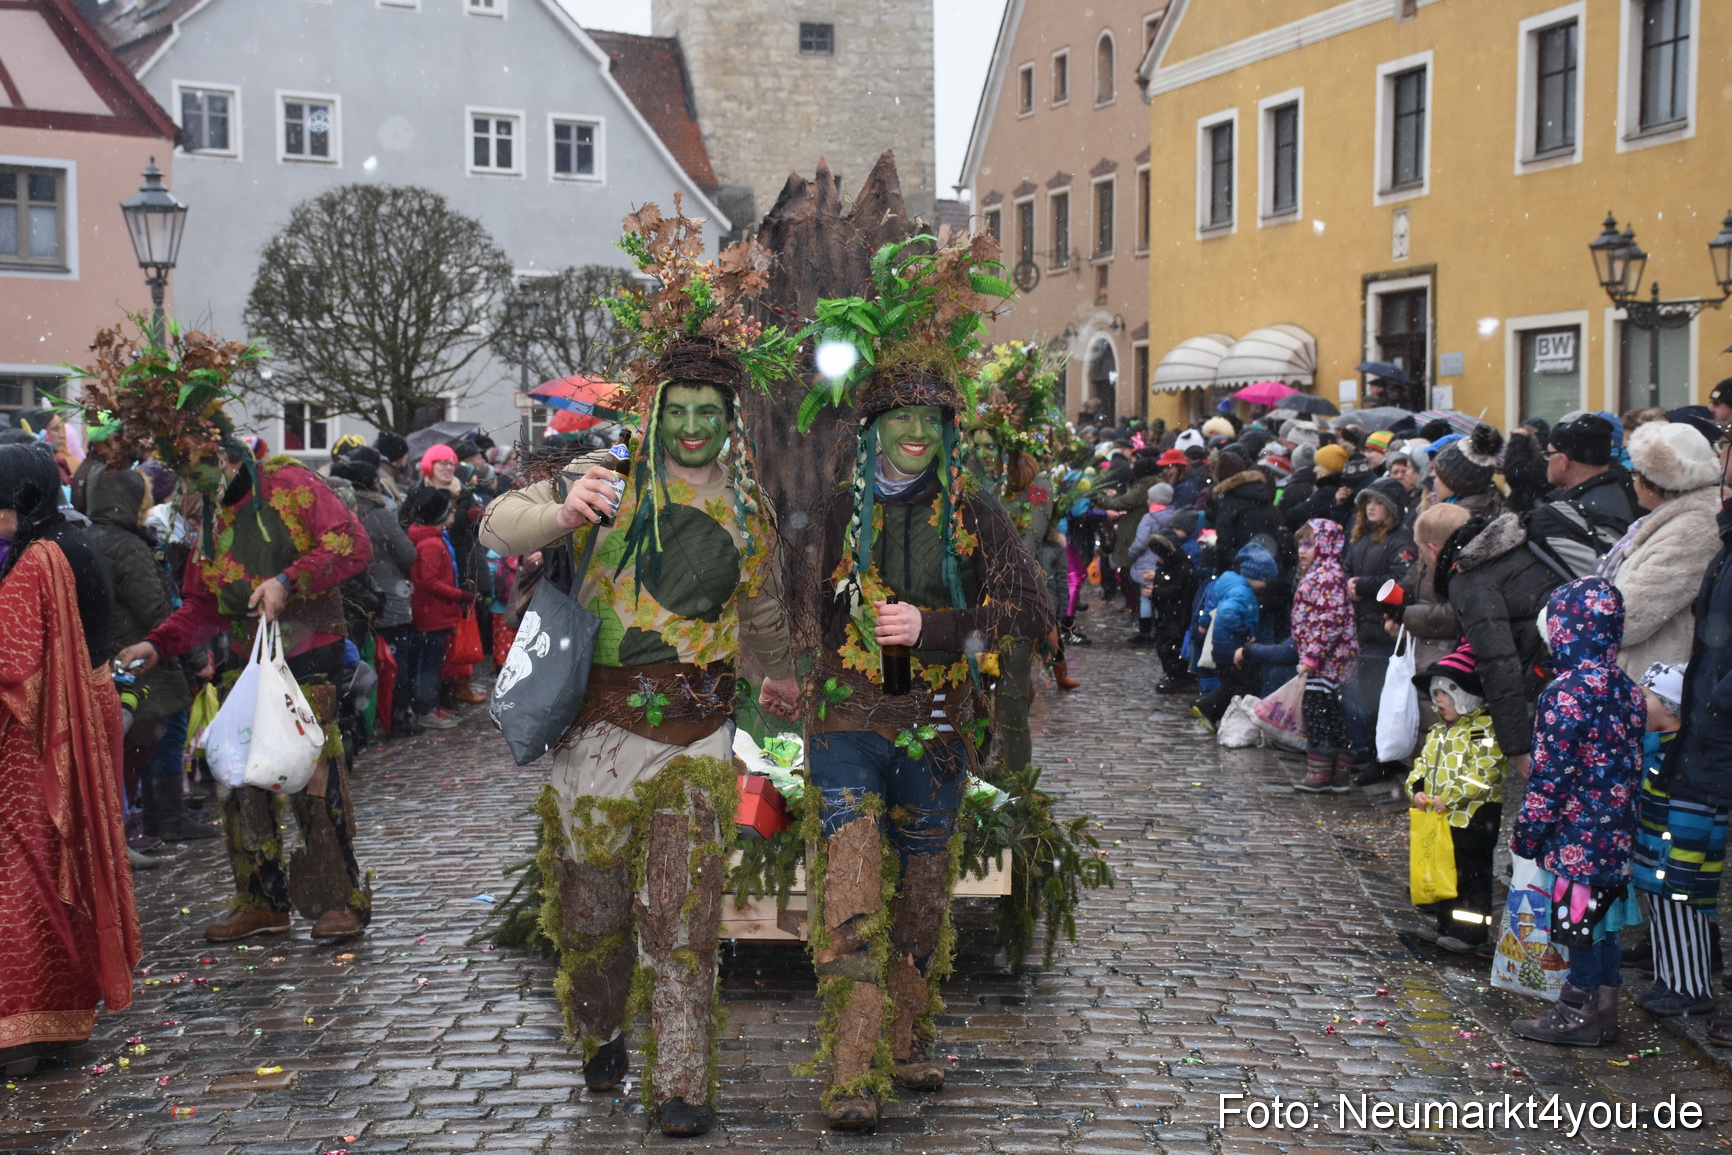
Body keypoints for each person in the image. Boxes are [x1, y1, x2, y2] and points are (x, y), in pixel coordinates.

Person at [477, 207, 800, 1138]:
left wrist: (779, 675)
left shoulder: (748, 505)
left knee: (685, 914)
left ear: (728, 418)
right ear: (657, 412)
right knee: (594, 912)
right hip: (600, 736)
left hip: (698, 734)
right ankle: (598, 1027)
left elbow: (760, 607)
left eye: (709, 412)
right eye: (679, 411)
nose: (693, 427)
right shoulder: (606, 477)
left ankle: (684, 1080)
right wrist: (563, 509)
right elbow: (497, 526)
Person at [797, 237, 1054, 1131]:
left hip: (938, 725)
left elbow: (1030, 612)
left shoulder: (974, 512)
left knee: (919, 896)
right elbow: (797, 615)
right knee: (851, 889)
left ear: (949, 429)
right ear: (871, 426)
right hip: (847, 723)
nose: (917, 432)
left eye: (932, 420)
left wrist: (938, 627)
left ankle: (905, 1038)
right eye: (901, 416)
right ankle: (850, 1070)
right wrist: (791, 672)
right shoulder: (839, 511)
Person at [115, 443, 375, 944]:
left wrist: (287, 580)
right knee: (239, 776)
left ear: (226, 456)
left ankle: (339, 898)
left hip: (310, 646)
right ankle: (262, 900)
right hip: (247, 655)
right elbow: (203, 602)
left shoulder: (289, 483)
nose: (192, 482)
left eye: (198, 467)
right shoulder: (212, 515)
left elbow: (351, 543)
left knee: (309, 770)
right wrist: (159, 643)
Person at [0, 442, 140, 1076]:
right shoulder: (75, 541)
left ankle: (20, 1028)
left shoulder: (40, 558)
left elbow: (10, 660)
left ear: (21, 498)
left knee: (25, 864)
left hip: (45, 726)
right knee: (69, 861)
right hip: (86, 704)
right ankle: (61, 1022)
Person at [1510, 578, 1645, 1047]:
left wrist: (1528, 832)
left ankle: (1577, 1008)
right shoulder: (1628, 690)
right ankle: (1605, 1008)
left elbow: (1550, 776)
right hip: (1616, 832)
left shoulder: (1566, 693)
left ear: (1564, 630)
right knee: (1602, 924)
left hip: (1577, 836)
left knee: (1577, 926)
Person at [77, 462, 213, 844]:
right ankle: (162, 818)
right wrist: (197, 659)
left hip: (110, 656)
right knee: (157, 739)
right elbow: (156, 610)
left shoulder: (86, 537)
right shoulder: (128, 547)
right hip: (141, 657)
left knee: (130, 747)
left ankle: (145, 820)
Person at [1437, 510, 1564, 774]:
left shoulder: (1470, 575)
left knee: (1555, 783)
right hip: (1577, 666)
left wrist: (1518, 748)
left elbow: (1497, 661)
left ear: (1432, 549)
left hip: (1548, 679)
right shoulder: (1518, 548)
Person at [1626, 664, 1715, 1016]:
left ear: (1671, 707)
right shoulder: (1658, 751)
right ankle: (1670, 980)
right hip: (1660, 861)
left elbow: (1693, 820)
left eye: (1646, 697)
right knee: (1664, 923)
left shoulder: (1685, 760)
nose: (1638, 703)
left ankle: (1691, 988)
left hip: (1680, 866)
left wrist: (1681, 869)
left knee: (1684, 924)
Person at [1406, 644, 1504, 953]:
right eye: (1435, 694)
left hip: (1475, 816)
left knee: (1472, 874)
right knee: (1446, 870)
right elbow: (1421, 766)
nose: (1438, 700)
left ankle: (1470, 932)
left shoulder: (1483, 729)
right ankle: (1446, 923)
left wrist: (1450, 797)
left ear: (1465, 695)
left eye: (1445, 694)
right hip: (1441, 816)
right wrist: (1416, 790)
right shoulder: (1438, 732)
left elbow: (1483, 773)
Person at [1604, 420, 1722, 676]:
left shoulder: (1692, 531)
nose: (1633, 481)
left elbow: (1630, 617)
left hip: (1656, 684)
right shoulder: (1677, 520)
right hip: (1650, 676)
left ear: (1657, 482)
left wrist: (1560, 623)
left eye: (1636, 473)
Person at [333, 459, 419, 736]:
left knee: (364, 660)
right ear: (372, 482)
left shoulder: (337, 512)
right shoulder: (378, 513)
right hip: (387, 598)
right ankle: (397, 716)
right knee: (394, 661)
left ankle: (364, 722)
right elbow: (407, 553)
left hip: (354, 601)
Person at [1290, 519, 1359, 793]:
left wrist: (1312, 657)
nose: (1302, 550)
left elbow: (1329, 621)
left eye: (1309, 544)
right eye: (1301, 544)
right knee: (1331, 715)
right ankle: (1337, 774)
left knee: (1320, 715)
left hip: (1327, 661)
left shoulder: (1326, 575)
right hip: (1326, 660)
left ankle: (1321, 772)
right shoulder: (1319, 573)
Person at [1191, 541, 1277, 730]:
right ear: (1257, 576)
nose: (1266, 585)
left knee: (1232, 684)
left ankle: (1213, 713)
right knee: (1243, 686)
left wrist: (1204, 623)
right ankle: (1208, 707)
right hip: (1232, 647)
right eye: (1266, 580)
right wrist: (1247, 635)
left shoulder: (1230, 585)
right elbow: (1227, 615)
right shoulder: (1242, 592)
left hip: (1222, 646)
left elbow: (1212, 605)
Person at [406, 488, 470, 731]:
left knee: (432, 662)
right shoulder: (431, 543)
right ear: (441, 515)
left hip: (435, 612)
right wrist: (459, 595)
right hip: (432, 614)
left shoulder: (433, 538)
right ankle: (426, 708)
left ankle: (431, 706)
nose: (453, 514)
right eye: (449, 510)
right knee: (429, 665)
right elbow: (429, 582)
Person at [1544, 411, 1636, 531]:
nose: (1547, 460)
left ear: (1563, 461)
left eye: (1549, 454)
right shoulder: (1613, 492)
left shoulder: (1581, 513)